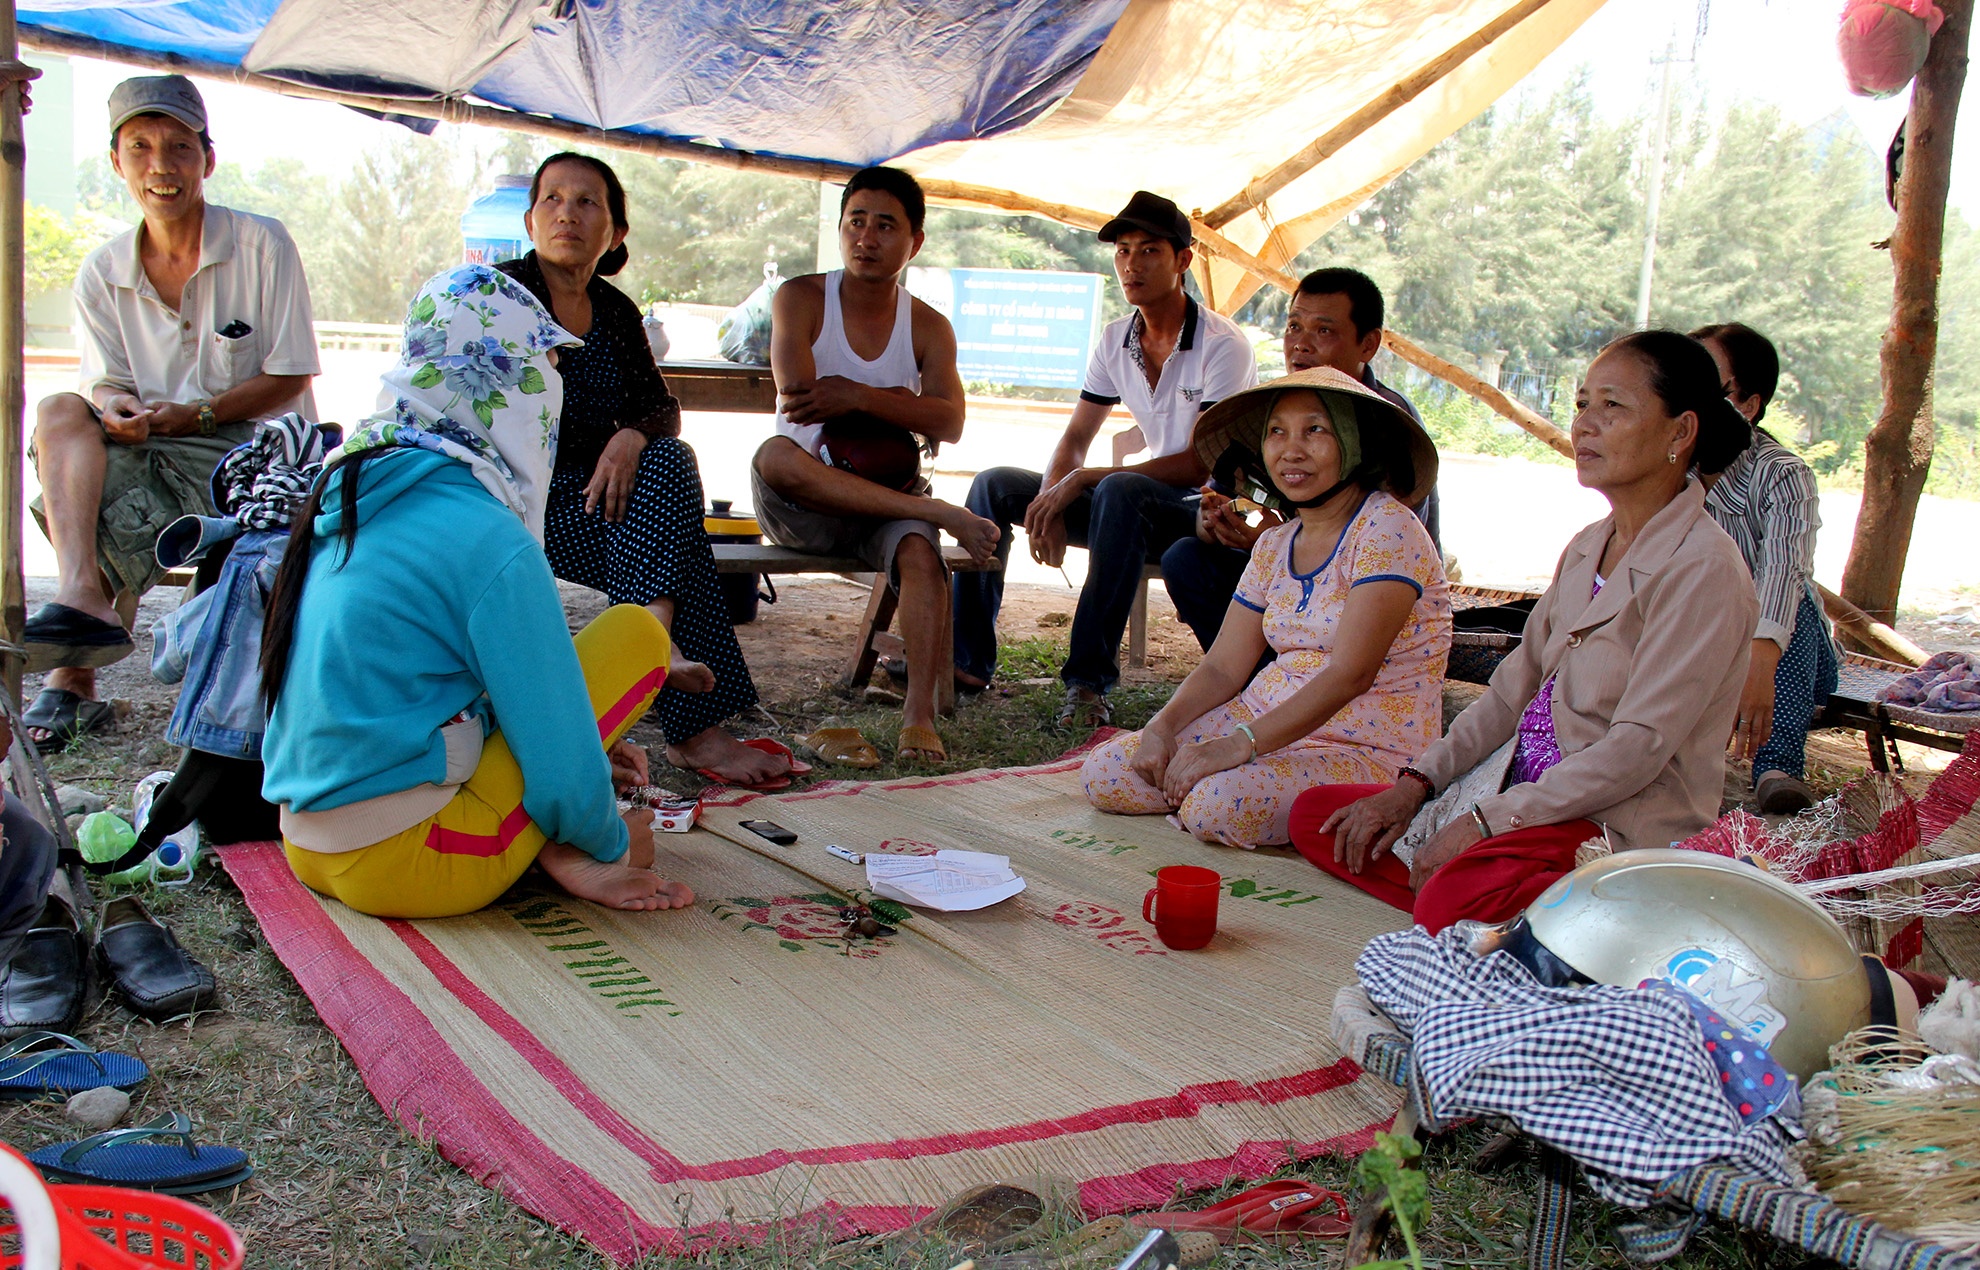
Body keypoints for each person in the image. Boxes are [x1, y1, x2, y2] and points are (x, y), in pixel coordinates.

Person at [1289, 331, 1757, 932]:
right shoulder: (1590, 545)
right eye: (1583, 403)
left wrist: (1487, 821)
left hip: (1609, 820)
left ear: (1680, 432)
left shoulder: (1704, 569)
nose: (1586, 424)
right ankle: (1509, 914)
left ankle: (1520, 909)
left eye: (1612, 406)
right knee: (1320, 818)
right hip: (1514, 788)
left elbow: (1635, 752)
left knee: (1449, 897)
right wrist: (1417, 783)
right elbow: (1512, 694)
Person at [261, 266, 691, 919]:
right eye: (547, 364)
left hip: (306, 843)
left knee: (553, 723)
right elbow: (552, 742)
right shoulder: (488, 536)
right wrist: (604, 842)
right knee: (637, 633)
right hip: (410, 859)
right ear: (510, 382)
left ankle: (550, 824)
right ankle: (557, 847)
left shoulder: (352, 491)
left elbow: (409, 689)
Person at [26, 74, 319, 746]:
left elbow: (291, 372)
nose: (161, 165)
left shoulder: (261, 245)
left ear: (206, 160)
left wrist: (193, 416)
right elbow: (105, 385)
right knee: (61, 412)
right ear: (116, 162)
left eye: (179, 147)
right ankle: (81, 595)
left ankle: (75, 674)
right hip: (153, 445)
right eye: (140, 148)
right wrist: (120, 406)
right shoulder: (101, 271)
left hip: (254, 451)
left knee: (99, 493)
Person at [498, 152, 785, 788]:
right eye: (552, 199)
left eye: (587, 202)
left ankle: (657, 655)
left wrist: (630, 434)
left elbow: (662, 407)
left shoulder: (617, 312)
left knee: (667, 458)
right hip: (515, 507)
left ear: (615, 233)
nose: (567, 213)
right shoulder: (500, 298)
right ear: (529, 219)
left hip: (604, 508)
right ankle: (679, 702)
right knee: (678, 541)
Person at [1082, 368, 1450, 847]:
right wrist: (1162, 726)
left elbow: (1350, 674)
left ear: (1355, 445)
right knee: (1108, 772)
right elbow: (1222, 667)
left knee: (1216, 804)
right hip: (1264, 720)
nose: (1290, 450)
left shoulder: (1388, 530)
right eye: (1277, 431)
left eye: (1315, 430)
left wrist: (1237, 746)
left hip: (1364, 744)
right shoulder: (1276, 543)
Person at [954, 191, 1257, 726]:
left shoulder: (1222, 345)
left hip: (1199, 511)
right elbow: (1074, 437)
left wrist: (1086, 478)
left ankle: (1088, 683)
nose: (1131, 265)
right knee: (993, 485)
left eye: (1149, 251)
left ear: (1183, 260)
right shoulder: (1117, 340)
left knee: (1118, 489)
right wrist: (1050, 499)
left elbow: (1195, 464)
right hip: (1131, 506)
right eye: (1122, 251)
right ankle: (966, 661)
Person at [751, 166, 997, 763]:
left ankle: (918, 718)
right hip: (802, 503)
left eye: (885, 225)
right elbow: (799, 394)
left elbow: (952, 422)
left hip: (882, 505)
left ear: (914, 242)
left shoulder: (930, 326)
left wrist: (859, 396)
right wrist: (903, 414)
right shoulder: (802, 297)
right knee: (775, 454)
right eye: (855, 222)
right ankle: (930, 508)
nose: (867, 237)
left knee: (919, 552)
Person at [1163, 267, 1438, 651]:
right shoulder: (1273, 408)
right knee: (1185, 559)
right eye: (1294, 327)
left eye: (1323, 331)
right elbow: (1220, 491)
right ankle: (1256, 682)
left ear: (1368, 345)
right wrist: (1219, 521)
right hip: (1284, 565)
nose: (1301, 345)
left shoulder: (1389, 426)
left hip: (1364, 589)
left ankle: (1289, 690)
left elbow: (1381, 543)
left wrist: (1275, 541)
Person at [1692, 322, 1840, 814]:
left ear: (1749, 405)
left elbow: (1783, 572)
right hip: (1709, 639)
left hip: (1788, 649)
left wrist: (1759, 657)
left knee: (1789, 606)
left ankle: (1778, 765)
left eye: (1708, 386)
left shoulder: (1783, 474)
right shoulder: (1673, 471)